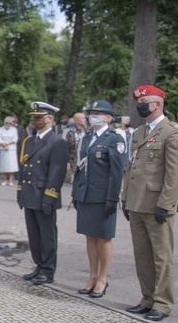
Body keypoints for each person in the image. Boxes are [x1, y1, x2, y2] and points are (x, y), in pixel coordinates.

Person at [121, 85, 178, 322]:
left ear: (157, 104)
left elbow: (176, 174)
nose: (140, 105)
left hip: (157, 204)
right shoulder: (139, 132)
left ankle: (163, 302)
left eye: (145, 101)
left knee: (161, 256)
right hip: (136, 203)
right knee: (142, 255)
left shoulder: (173, 133)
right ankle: (147, 298)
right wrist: (125, 198)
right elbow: (131, 167)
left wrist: (166, 204)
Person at [71, 100, 126, 298]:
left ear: (109, 117)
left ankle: (103, 278)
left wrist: (113, 198)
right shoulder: (87, 137)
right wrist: (75, 192)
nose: (94, 116)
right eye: (92, 112)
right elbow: (80, 166)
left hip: (103, 196)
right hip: (86, 193)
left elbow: (117, 171)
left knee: (104, 238)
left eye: (99, 113)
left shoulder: (115, 138)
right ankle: (92, 276)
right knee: (90, 236)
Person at [17, 101, 69, 285]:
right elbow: (24, 168)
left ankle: (48, 270)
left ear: (49, 119)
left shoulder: (57, 142)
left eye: (38, 118)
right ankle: (39, 265)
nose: (34, 121)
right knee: (34, 234)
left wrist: (50, 196)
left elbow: (57, 173)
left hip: (44, 193)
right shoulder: (29, 141)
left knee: (47, 234)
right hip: (30, 193)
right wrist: (20, 190)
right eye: (34, 118)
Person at [64, 112, 86, 184]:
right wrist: (66, 161)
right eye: (82, 118)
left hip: (84, 160)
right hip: (72, 160)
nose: (85, 120)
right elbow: (64, 147)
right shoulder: (68, 131)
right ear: (76, 120)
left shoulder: (88, 131)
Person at [0, 117, 19, 186]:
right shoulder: (0, 129)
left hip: (11, 149)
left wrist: (8, 143)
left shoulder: (14, 129)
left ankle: (11, 180)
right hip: (3, 148)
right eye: (7, 123)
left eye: (10, 123)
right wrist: (3, 143)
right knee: (4, 165)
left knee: (11, 165)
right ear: (4, 123)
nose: (8, 124)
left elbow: (15, 138)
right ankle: (4, 180)